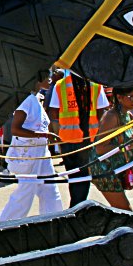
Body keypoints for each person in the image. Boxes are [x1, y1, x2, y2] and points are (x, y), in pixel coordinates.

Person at [0, 70, 64, 223]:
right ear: (37, 80)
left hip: (41, 152)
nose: (50, 79)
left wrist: (46, 136)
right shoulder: (26, 101)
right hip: (29, 153)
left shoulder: (36, 99)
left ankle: (54, 222)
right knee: (25, 195)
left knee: (50, 190)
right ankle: (2, 226)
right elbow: (15, 130)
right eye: (47, 76)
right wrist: (43, 135)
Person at [48, 70, 109, 206]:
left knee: (74, 177)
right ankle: (77, 207)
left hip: (67, 140)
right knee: (83, 176)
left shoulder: (60, 85)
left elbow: (54, 112)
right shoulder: (95, 85)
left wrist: (58, 135)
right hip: (87, 139)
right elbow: (101, 110)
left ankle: (76, 206)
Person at [88, 86, 133, 211]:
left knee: (121, 212)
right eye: (131, 97)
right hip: (105, 171)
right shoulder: (111, 117)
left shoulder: (127, 115)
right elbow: (100, 149)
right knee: (126, 212)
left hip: (119, 170)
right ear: (119, 97)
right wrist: (131, 145)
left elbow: (129, 141)